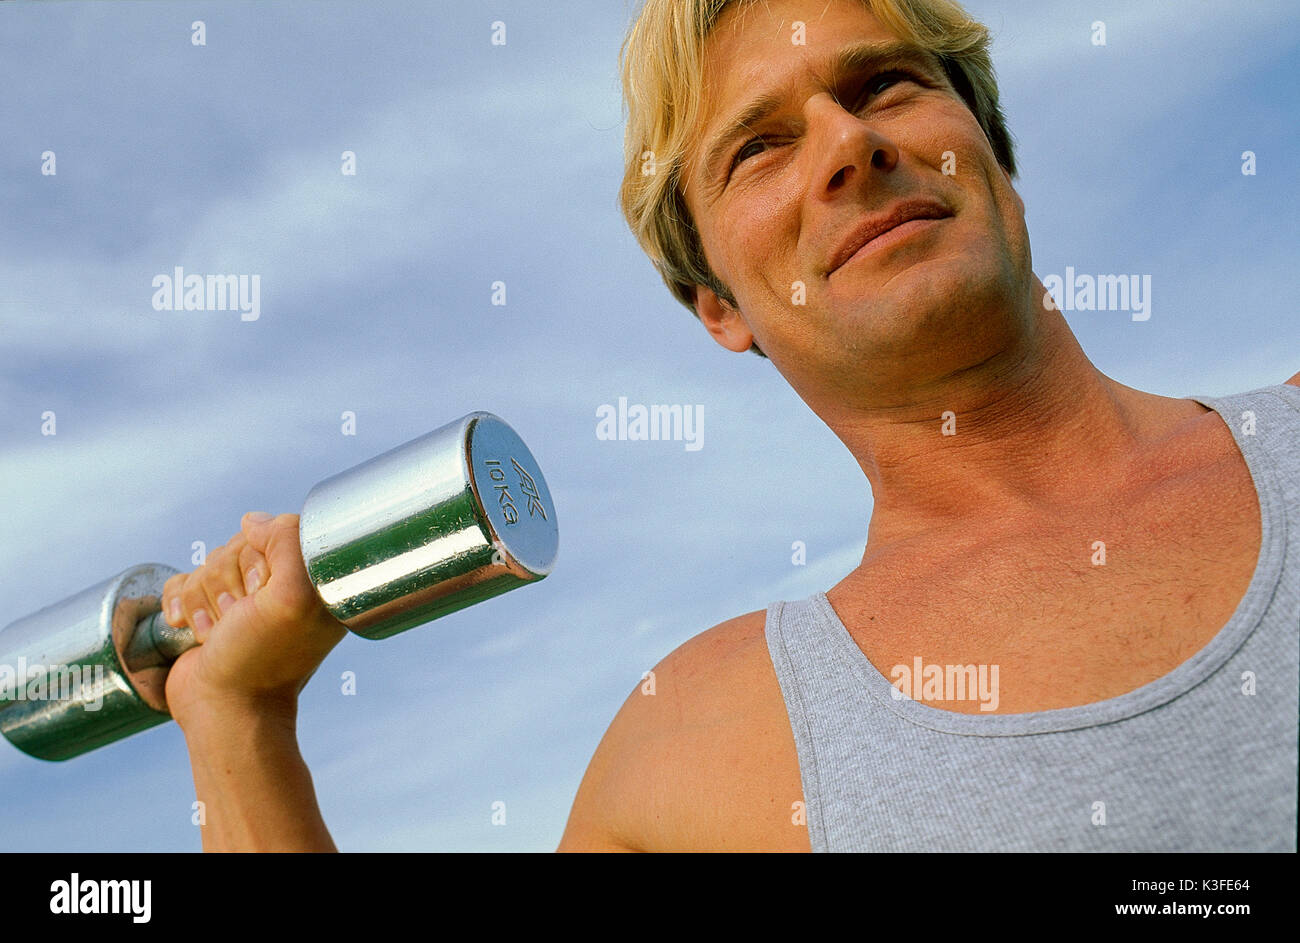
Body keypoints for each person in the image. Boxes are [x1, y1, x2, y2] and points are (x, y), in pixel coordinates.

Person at [161, 0, 1300, 852]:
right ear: (718, 305)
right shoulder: (695, 750)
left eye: (886, 86)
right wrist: (238, 717)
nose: (847, 147)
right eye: (759, 147)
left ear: (994, 157)